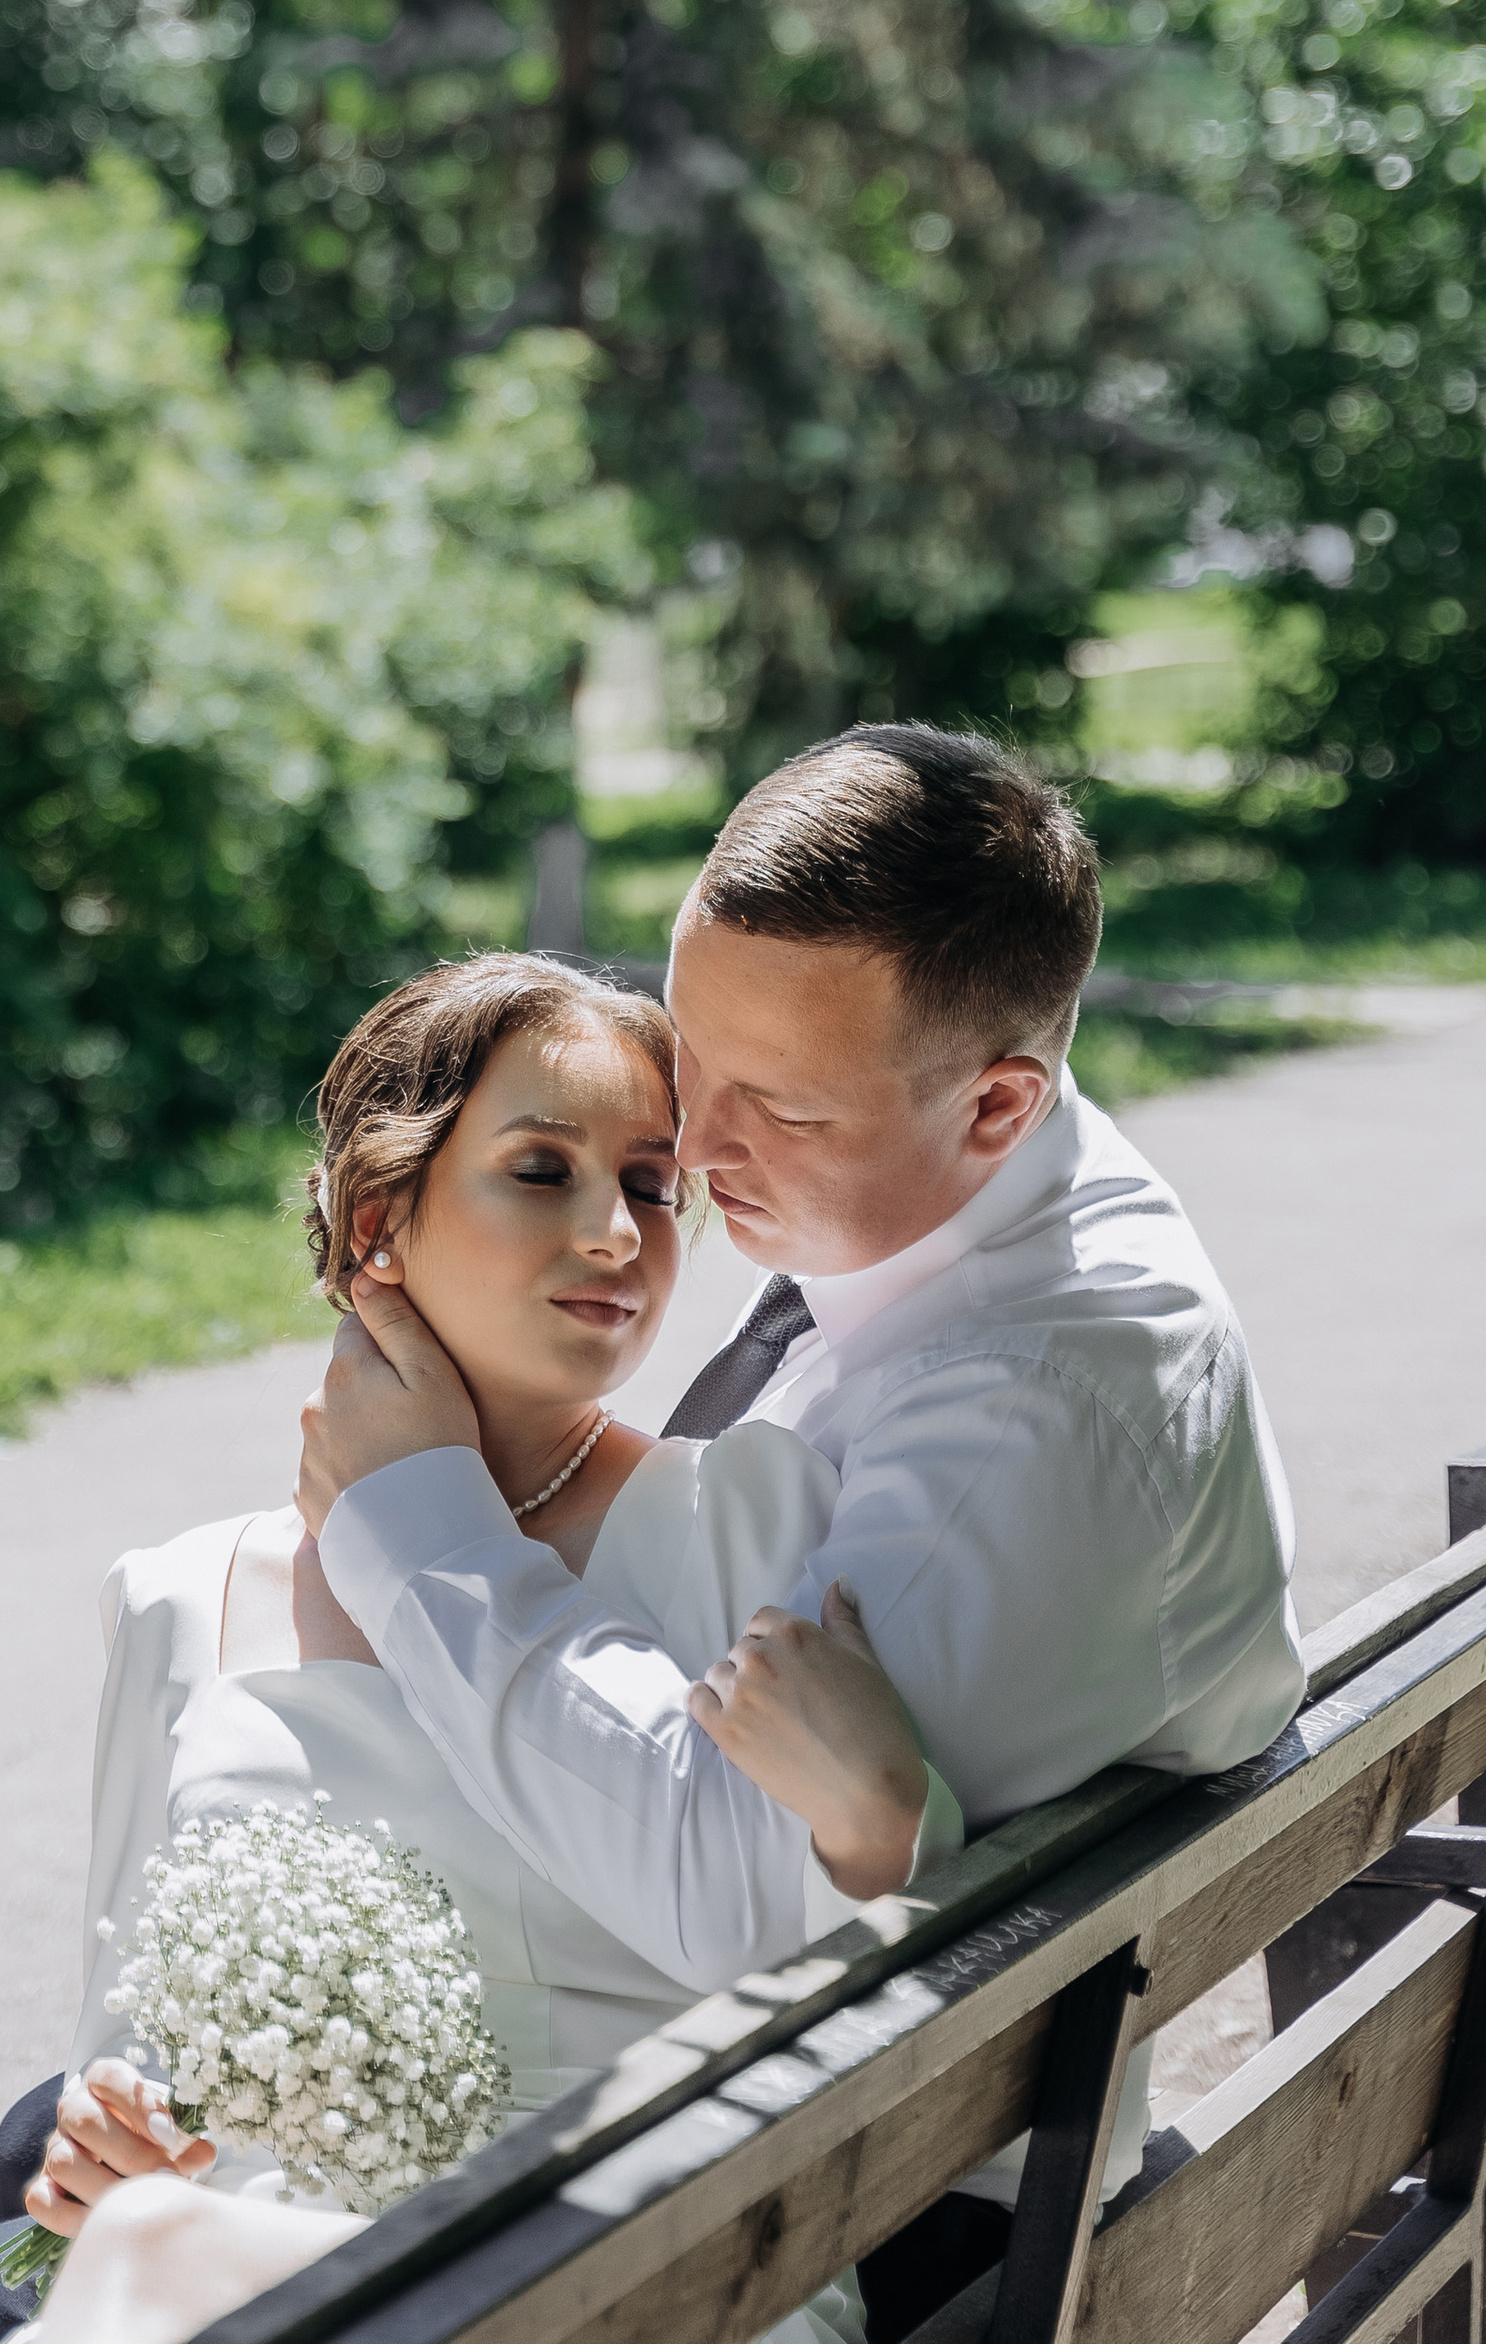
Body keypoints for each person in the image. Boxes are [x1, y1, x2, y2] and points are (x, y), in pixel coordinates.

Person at [296, 725, 1306, 2327]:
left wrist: (417, 1523)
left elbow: (735, 1893)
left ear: (998, 1103)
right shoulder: (970, 1207)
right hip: (894, 2073)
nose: (694, 1153)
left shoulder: (1029, 1413)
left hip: (919, 2190)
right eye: (696, 1059)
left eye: (779, 1107)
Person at [0, 951, 954, 2344]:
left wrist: (877, 1824)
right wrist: (108, 2138)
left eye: (653, 1185)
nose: (616, 1231)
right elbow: (126, 2043)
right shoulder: (181, 1597)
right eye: (541, 1171)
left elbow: (852, 1951)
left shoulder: (745, 1521)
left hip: (642, 2259)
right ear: (377, 1222)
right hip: (252, 2255)